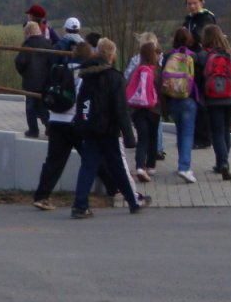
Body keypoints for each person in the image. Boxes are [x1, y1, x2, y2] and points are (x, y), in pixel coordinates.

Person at [32, 42, 122, 210]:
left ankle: (41, 196)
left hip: (56, 120)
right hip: (75, 123)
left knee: (53, 161)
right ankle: (113, 187)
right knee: (93, 158)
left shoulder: (59, 70)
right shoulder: (85, 74)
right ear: (89, 56)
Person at [71, 38, 145, 218]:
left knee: (87, 167)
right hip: (108, 129)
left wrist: (81, 123)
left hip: (89, 128)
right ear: (111, 56)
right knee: (118, 167)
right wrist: (129, 136)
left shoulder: (87, 75)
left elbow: (82, 102)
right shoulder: (115, 77)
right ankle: (133, 201)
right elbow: (120, 109)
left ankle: (80, 206)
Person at [196, 25, 231, 181]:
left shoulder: (202, 56)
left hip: (211, 99)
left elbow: (197, 80)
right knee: (225, 130)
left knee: (217, 132)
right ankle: (222, 162)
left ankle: (223, 163)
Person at [163, 27, 200, 183]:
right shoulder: (194, 57)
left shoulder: (167, 56)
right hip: (188, 100)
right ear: (189, 40)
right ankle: (184, 167)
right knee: (187, 134)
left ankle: (182, 164)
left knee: (180, 132)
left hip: (172, 100)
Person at [183, 0, 216, 149]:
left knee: (201, 101)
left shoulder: (206, 18)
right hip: (190, 63)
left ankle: (204, 138)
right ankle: (195, 135)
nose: (192, 6)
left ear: (201, 2)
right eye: (189, 4)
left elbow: (197, 37)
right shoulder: (189, 20)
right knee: (193, 100)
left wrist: (186, 38)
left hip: (203, 63)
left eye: (195, 3)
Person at [127, 42, 161, 182]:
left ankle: (140, 167)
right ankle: (151, 166)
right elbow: (161, 90)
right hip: (154, 109)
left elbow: (129, 85)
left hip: (137, 109)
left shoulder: (137, 69)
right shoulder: (157, 70)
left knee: (142, 139)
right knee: (153, 138)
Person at [15, 21, 51, 138]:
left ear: (28, 32)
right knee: (42, 105)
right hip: (45, 81)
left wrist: (23, 73)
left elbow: (20, 62)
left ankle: (33, 130)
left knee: (30, 107)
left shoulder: (27, 45)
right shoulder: (47, 43)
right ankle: (49, 126)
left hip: (30, 81)